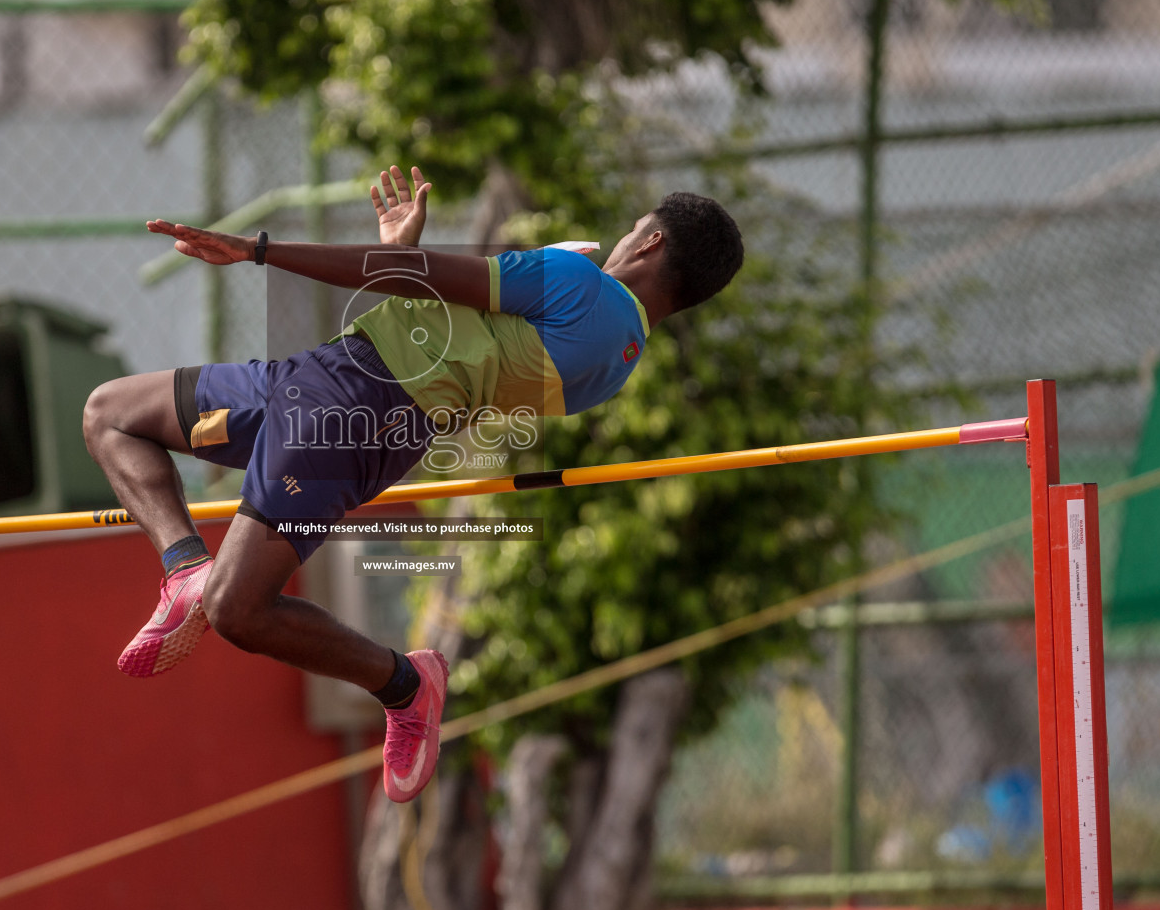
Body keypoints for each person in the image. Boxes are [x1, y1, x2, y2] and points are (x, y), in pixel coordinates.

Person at [82, 166, 743, 803]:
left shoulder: (579, 285)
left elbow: (408, 286)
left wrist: (255, 249)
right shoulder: (615, 364)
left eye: (634, 228)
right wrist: (408, 253)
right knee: (113, 412)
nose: (624, 237)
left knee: (237, 609)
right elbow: (456, 341)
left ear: (651, 240)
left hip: (352, 406)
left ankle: (405, 684)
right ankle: (183, 568)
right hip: (332, 384)